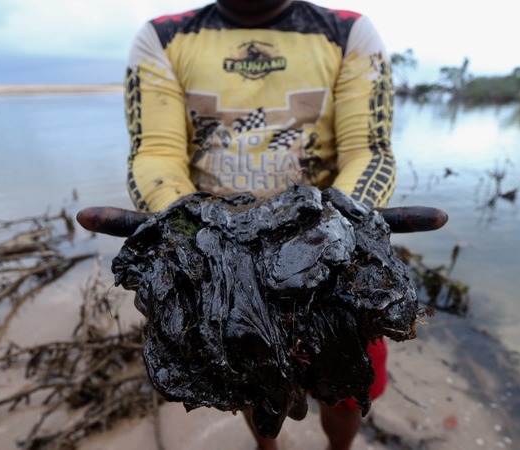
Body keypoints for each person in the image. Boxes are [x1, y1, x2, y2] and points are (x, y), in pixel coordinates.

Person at [95, 1, 395, 449]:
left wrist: (341, 221)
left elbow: (367, 150)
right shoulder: (164, 37)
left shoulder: (347, 31)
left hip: (329, 258)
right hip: (216, 260)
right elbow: (156, 152)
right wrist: (192, 230)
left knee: (347, 385)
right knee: (245, 370)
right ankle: (266, 445)